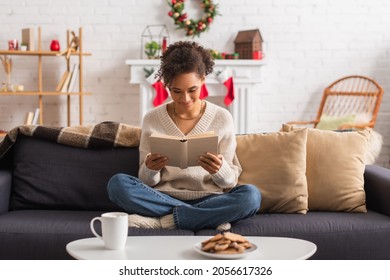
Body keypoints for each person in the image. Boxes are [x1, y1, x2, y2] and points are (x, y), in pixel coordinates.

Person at [107, 41, 261, 231]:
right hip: (162, 196)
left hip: (210, 198)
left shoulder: (222, 118)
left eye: (192, 90)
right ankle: (205, 218)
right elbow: (145, 181)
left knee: (251, 196)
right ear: (167, 86)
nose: (185, 99)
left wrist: (219, 170)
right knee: (117, 185)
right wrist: (150, 169)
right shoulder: (152, 118)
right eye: (176, 91)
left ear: (203, 80)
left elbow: (229, 182)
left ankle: (165, 221)